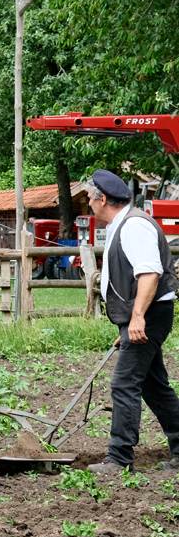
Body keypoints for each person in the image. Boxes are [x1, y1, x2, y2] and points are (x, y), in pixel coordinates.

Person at [84, 170, 179, 474]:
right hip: (144, 316)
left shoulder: (134, 225)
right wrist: (127, 326)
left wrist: (137, 318)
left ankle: (119, 458)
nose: (87, 203)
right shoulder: (120, 224)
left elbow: (150, 273)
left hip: (150, 314)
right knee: (154, 387)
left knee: (124, 384)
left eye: (89, 197)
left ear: (103, 199)